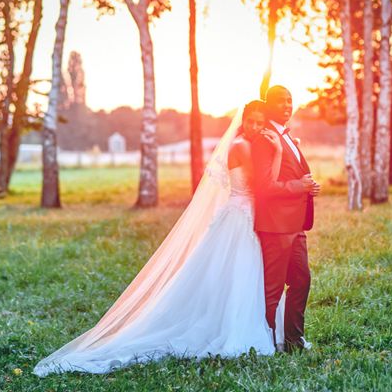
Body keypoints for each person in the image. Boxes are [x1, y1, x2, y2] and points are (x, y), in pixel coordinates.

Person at [33, 100, 284, 375]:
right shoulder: (242, 146)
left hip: (241, 214)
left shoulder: (244, 143)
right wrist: (279, 151)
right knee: (240, 271)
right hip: (240, 217)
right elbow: (263, 184)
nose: (256, 128)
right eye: (252, 122)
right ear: (243, 120)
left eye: (261, 123)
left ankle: (230, 320)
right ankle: (235, 329)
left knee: (236, 273)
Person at [251, 85, 321, 353]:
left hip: (295, 225)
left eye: (290, 101)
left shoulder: (287, 136)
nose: (287, 105)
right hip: (275, 226)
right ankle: (268, 341)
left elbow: (294, 174)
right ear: (269, 105)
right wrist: (298, 187)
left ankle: (294, 338)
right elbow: (264, 187)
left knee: (302, 280)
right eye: (281, 101)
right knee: (273, 289)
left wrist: (308, 186)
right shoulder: (264, 139)